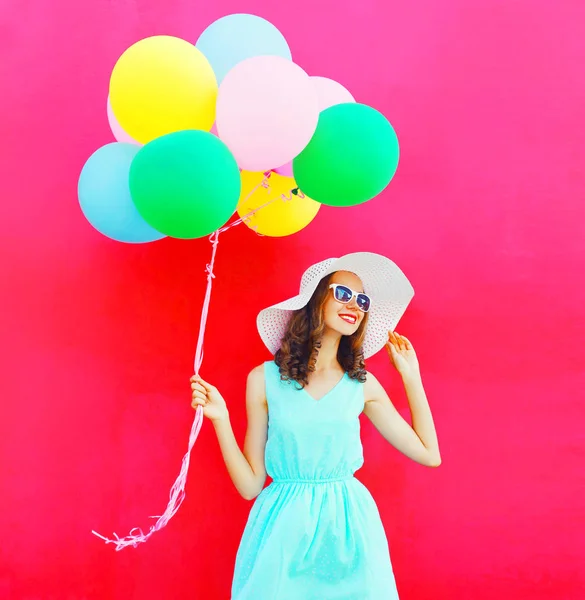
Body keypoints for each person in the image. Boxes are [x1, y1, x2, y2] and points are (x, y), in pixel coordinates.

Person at [190, 252, 441, 599]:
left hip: (349, 529)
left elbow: (429, 454)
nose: (355, 304)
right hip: (283, 529)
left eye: (362, 300)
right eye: (343, 293)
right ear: (315, 301)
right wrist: (221, 420)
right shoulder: (262, 380)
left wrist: (411, 378)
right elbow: (250, 486)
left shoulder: (361, 384)